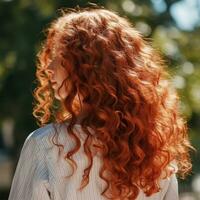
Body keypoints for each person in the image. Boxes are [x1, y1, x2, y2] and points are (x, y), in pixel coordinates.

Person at [8, 5, 194, 200]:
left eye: (59, 57)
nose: (49, 68)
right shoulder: (156, 155)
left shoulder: (45, 145)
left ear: (90, 66)